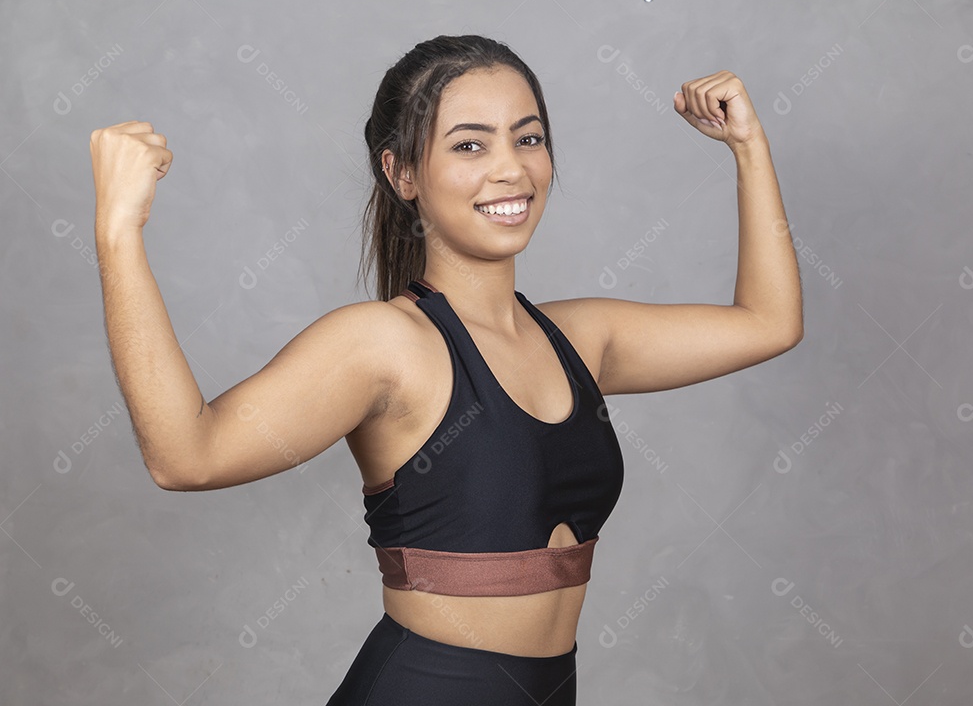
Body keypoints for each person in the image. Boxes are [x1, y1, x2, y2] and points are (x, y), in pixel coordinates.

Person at [90, 34, 801, 706]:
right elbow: (185, 456)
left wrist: (749, 147)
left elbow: (769, 323)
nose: (511, 168)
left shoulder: (581, 340)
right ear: (401, 173)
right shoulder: (383, 345)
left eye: (529, 138)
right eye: (469, 144)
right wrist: (118, 231)